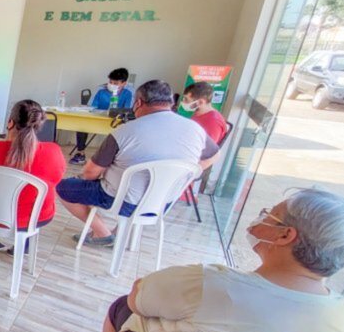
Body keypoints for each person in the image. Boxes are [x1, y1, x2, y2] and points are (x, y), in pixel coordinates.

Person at [91, 188, 344, 332]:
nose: (262, 216)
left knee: (121, 308)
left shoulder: (212, 284)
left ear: (285, 235)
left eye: (270, 214)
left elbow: (137, 298)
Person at [57, 79, 219, 247]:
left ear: (138, 103)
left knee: (64, 187)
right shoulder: (195, 129)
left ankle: (103, 234)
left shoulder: (125, 131)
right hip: (163, 201)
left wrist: (84, 179)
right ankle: (120, 233)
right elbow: (214, 155)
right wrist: (192, 172)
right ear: (171, 102)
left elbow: (91, 173)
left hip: (122, 201)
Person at [0, 100, 65, 252]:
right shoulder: (53, 152)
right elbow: (56, 180)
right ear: (39, 125)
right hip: (36, 218)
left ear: (10, 123)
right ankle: (23, 246)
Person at [71, 67, 133, 165]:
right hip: (99, 118)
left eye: (116, 83)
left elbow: (127, 109)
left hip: (115, 122)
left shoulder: (127, 94)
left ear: (124, 83)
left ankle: (114, 158)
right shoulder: (101, 92)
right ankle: (80, 153)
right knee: (82, 126)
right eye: (110, 82)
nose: (112, 85)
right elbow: (93, 107)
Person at [181, 80, 229, 144]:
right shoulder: (198, 113)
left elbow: (206, 151)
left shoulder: (213, 122)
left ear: (200, 102)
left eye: (186, 99)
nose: (183, 102)